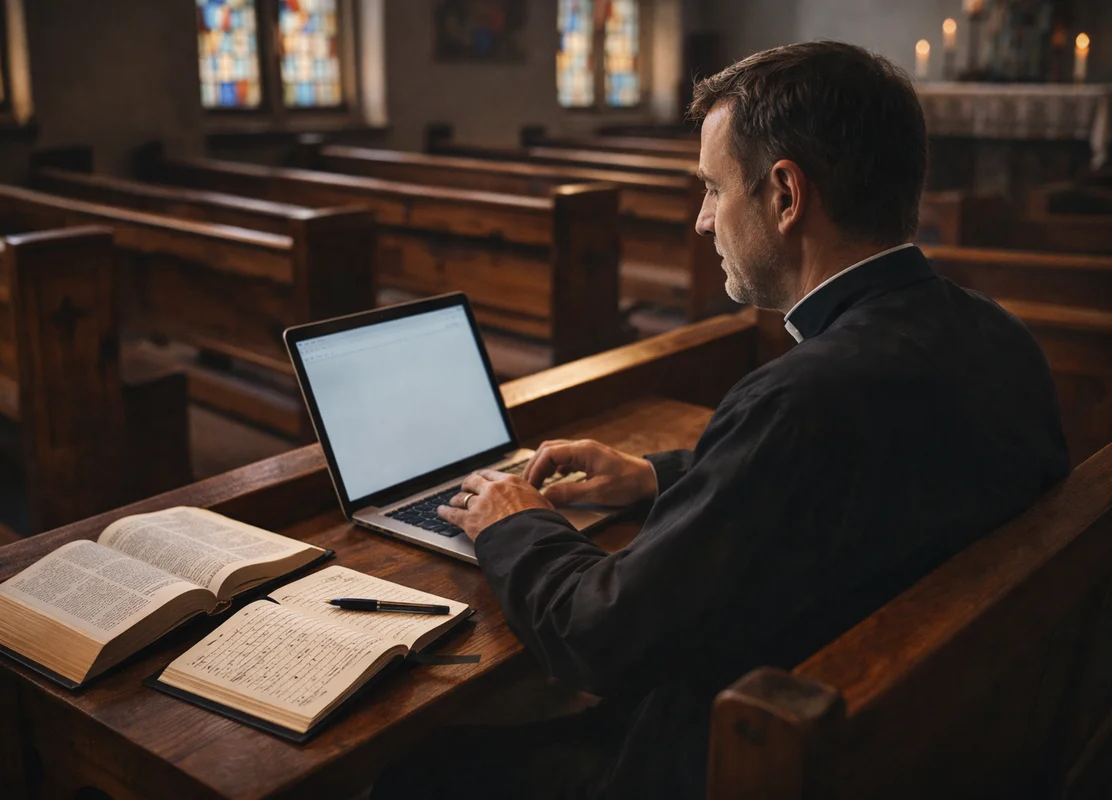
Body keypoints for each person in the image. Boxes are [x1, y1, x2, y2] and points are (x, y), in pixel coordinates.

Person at [371, 41, 1070, 800]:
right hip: (936, 742)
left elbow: (599, 638)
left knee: (409, 768)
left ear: (785, 195)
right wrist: (655, 475)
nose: (704, 221)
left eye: (712, 188)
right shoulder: (1000, 337)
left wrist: (513, 521)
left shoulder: (800, 398)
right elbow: (863, 478)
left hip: (728, 765)